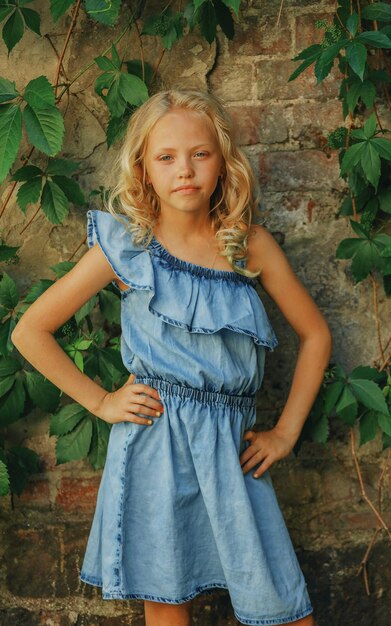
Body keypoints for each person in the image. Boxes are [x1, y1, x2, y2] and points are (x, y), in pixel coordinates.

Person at [11, 89, 332, 626]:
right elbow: (30, 331)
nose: (185, 170)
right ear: (144, 170)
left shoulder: (247, 245)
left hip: (232, 450)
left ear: (223, 162)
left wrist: (286, 432)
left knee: (282, 603)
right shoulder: (128, 247)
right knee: (167, 605)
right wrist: (102, 401)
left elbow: (315, 335)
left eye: (200, 154)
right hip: (156, 443)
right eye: (166, 158)